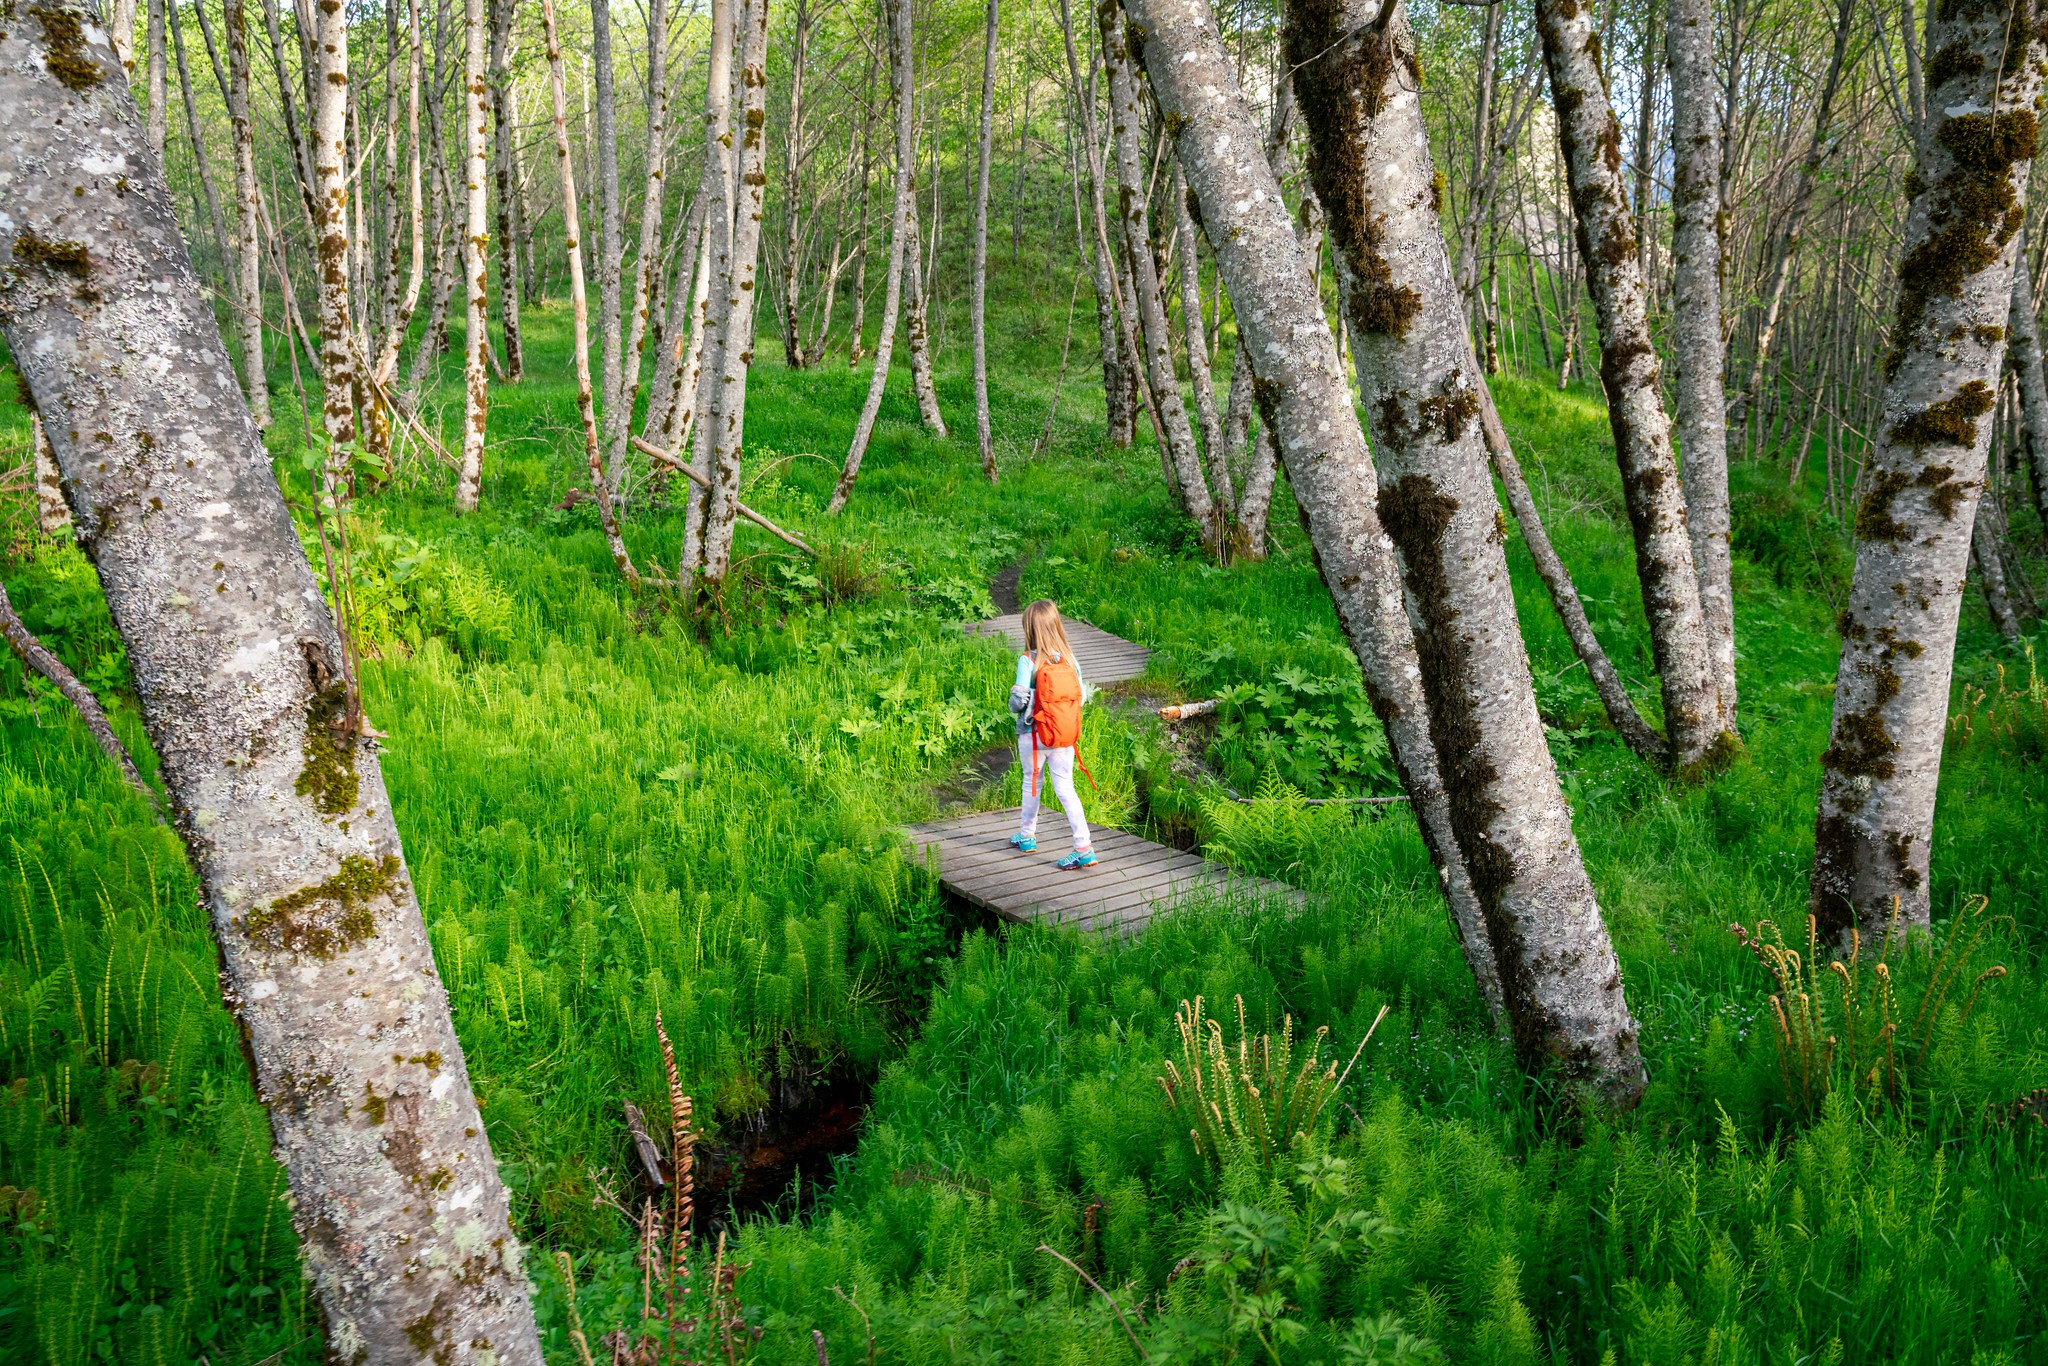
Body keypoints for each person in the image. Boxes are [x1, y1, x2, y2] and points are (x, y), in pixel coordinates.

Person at [1007, 599, 1097, 868]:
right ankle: (1083, 846)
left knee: (1032, 782)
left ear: (1030, 628)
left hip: (1034, 736)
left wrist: (1021, 701)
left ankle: (1027, 836)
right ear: (1056, 625)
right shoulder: (1071, 660)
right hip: (1063, 735)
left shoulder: (1029, 660)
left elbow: (1017, 701)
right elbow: (1080, 698)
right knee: (1065, 788)